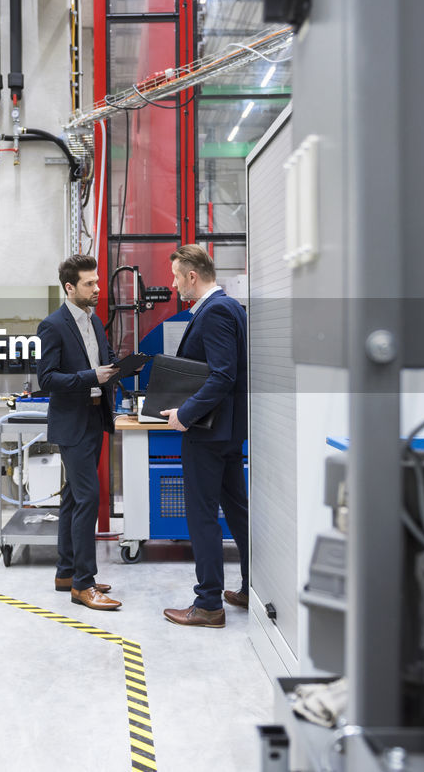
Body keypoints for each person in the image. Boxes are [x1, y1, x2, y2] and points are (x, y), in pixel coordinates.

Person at [159, 244, 250, 628]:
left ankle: (209, 603)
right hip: (227, 432)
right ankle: (251, 586)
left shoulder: (214, 313)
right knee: (237, 512)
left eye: (177, 276)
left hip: (209, 433)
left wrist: (185, 413)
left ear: (192, 276)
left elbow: (222, 375)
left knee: (202, 516)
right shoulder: (230, 308)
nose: (174, 283)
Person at [36, 254, 122, 611]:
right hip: (72, 423)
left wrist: (120, 366)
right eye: (89, 283)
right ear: (70, 287)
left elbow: (97, 362)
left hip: (93, 418)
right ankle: (83, 585)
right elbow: (47, 380)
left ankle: (66, 572)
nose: (97, 288)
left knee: (74, 497)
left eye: (97, 282)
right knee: (89, 497)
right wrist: (91, 377)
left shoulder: (94, 320)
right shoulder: (52, 326)